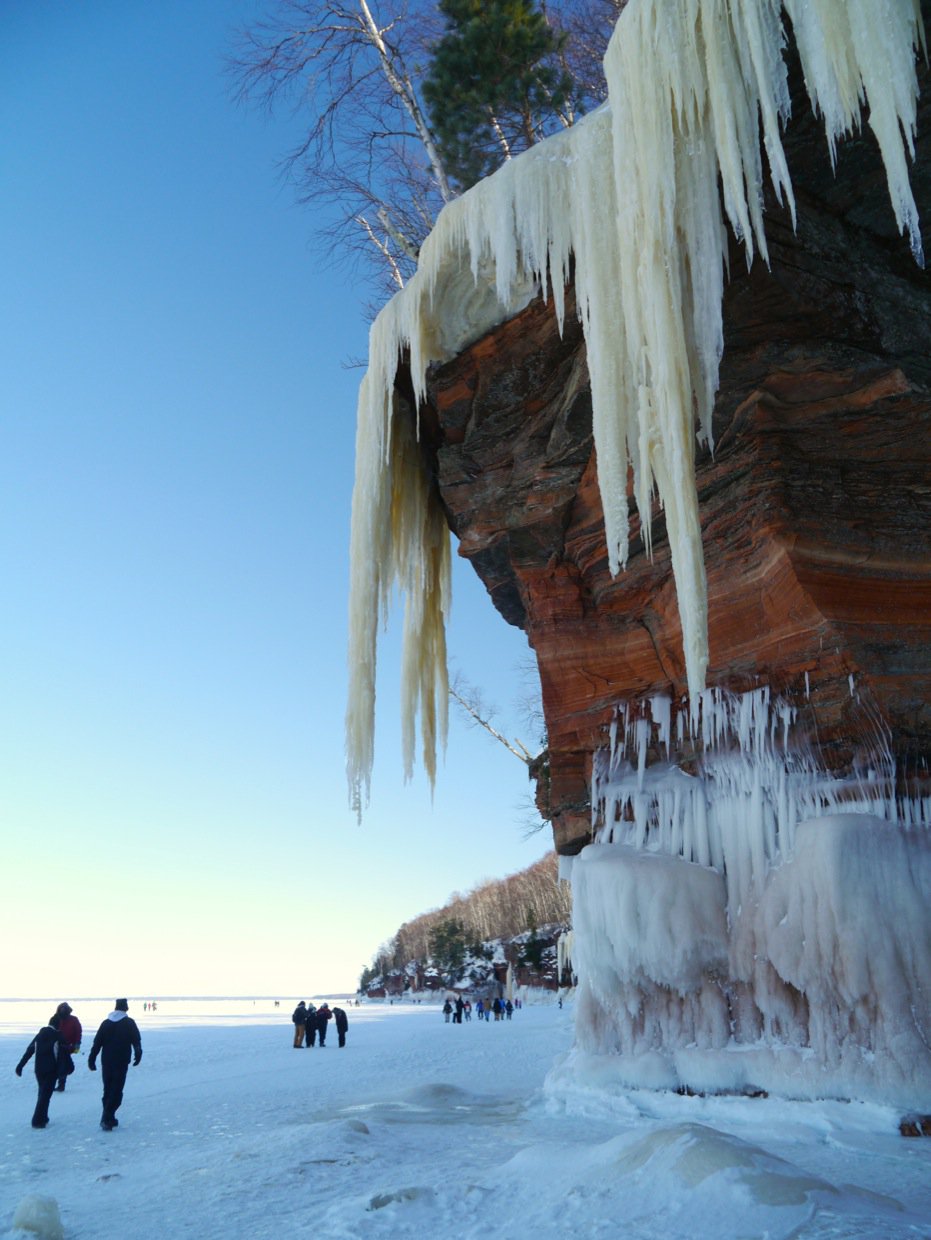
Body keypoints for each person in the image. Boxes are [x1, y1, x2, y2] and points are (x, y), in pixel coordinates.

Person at [88, 998, 142, 1131]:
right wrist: (138, 1053)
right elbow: (136, 1041)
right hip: (121, 1061)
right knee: (116, 1091)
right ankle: (106, 1118)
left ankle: (109, 1117)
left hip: (106, 1061)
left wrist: (92, 1058)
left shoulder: (106, 1023)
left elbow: (97, 1043)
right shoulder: (129, 1023)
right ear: (126, 1008)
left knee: (108, 1089)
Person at [15, 1014, 66, 1129]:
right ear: (58, 1025)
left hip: (38, 1070)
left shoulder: (40, 1034)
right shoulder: (57, 1035)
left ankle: (43, 1116)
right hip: (51, 1069)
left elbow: (30, 1050)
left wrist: (20, 1065)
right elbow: (64, 1053)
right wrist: (67, 1068)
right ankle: (37, 1120)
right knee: (45, 1095)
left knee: (42, 1093)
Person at [54, 1002, 82, 1091]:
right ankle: (58, 1083)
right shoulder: (56, 1019)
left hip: (67, 1047)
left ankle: (61, 1084)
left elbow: (78, 1033)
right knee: (58, 1065)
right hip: (56, 1046)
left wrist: (76, 1046)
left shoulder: (74, 1020)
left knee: (63, 1065)